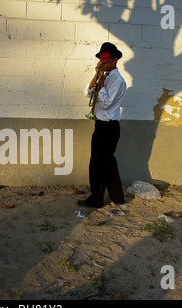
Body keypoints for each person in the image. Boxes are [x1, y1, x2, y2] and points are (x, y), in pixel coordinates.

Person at [78, 42, 126, 208]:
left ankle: (97, 198)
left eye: (106, 59)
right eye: (101, 59)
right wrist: (96, 75)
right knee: (107, 163)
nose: (102, 62)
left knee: (98, 165)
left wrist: (102, 85)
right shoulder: (103, 75)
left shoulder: (118, 81)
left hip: (109, 127)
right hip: (101, 126)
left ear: (115, 60)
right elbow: (87, 92)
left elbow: (106, 104)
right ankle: (118, 197)